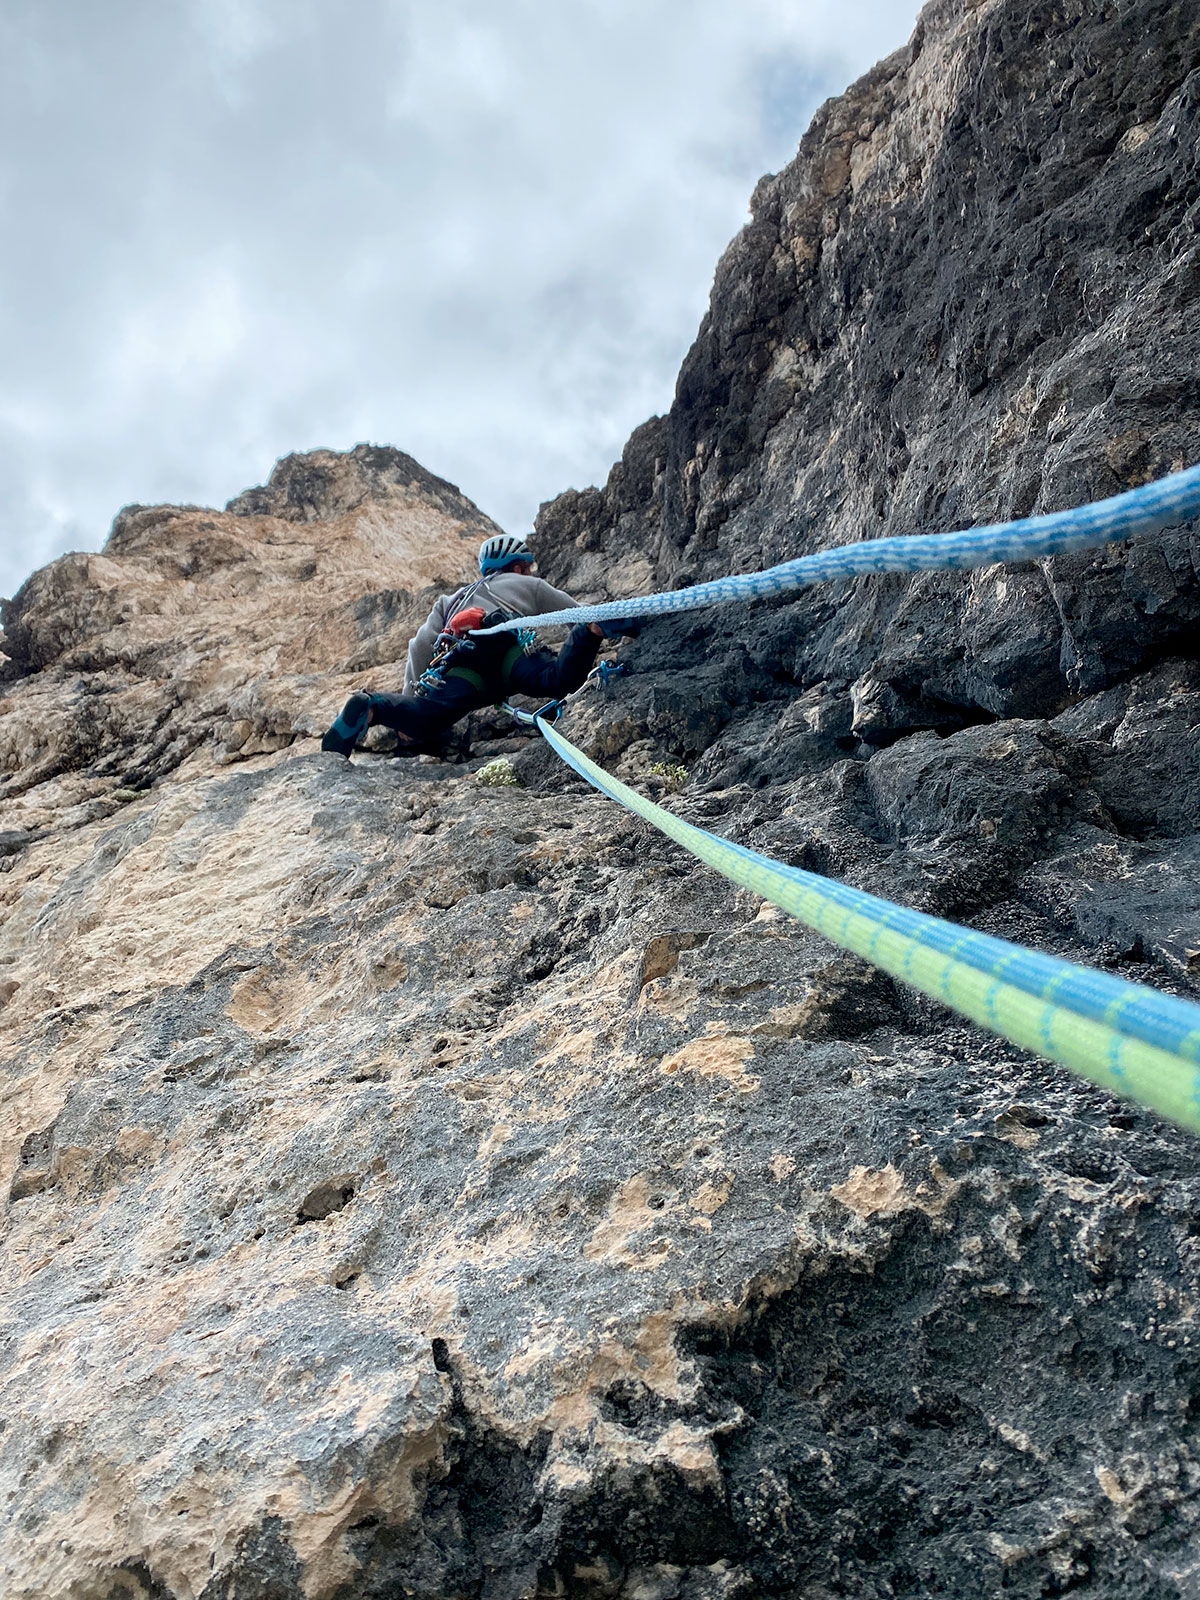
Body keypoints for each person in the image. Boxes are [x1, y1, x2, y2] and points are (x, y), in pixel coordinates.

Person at [321, 534, 631, 757]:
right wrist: (593, 626)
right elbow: (573, 613)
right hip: (510, 654)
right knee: (557, 679)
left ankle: (372, 707)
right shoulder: (528, 584)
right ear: (520, 567)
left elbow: (419, 646)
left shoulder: (451, 600)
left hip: (465, 665)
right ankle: (592, 632)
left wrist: (409, 700)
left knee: (428, 716)